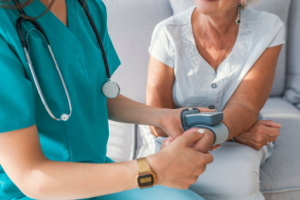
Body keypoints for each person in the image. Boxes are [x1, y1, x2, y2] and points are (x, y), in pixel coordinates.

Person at [0, 0, 215, 199]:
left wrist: (164, 117)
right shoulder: (4, 27)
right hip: (34, 191)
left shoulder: (86, 7)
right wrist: (151, 169)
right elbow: (31, 177)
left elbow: (93, 94)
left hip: (98, 175)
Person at [138, 0, 284, 199]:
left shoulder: (268, 27)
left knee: (239, 185)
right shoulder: (167, 32)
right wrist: (233, 133)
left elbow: (246, 105)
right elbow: (157, 123)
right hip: (173, 139)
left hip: (235, 142)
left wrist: (218, 134)